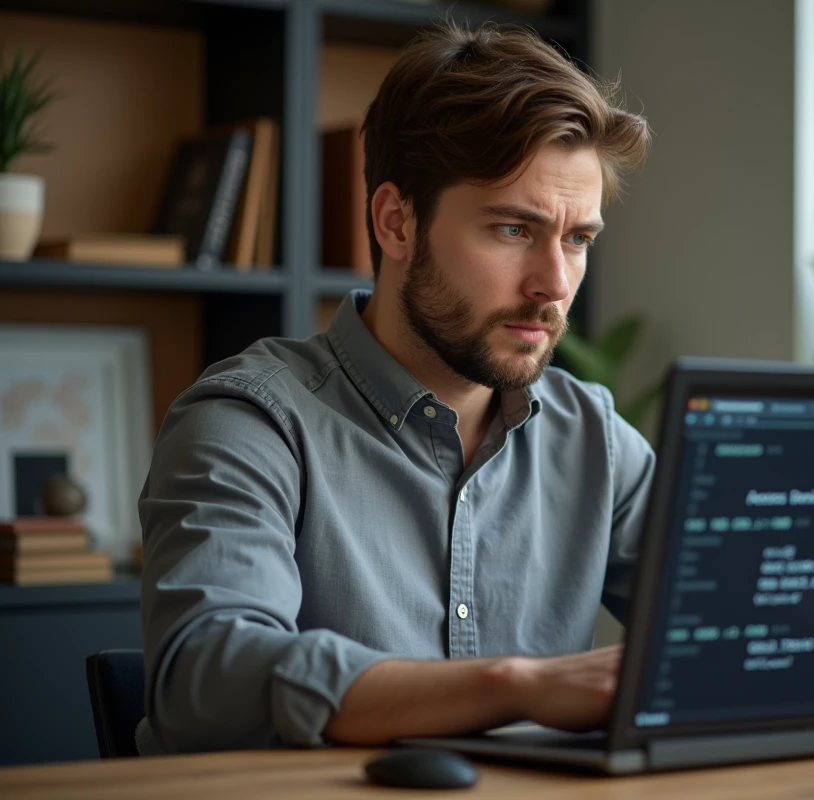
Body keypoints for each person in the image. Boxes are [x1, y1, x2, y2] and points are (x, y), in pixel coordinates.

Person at [136, 22, 653, 755]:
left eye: (578, 239)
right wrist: (517, 685)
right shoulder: (249, 423)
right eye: (513, 230)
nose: (555, 285)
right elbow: (207, 682)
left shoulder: (594, 438)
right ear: (395, 221)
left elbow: (743, 628)